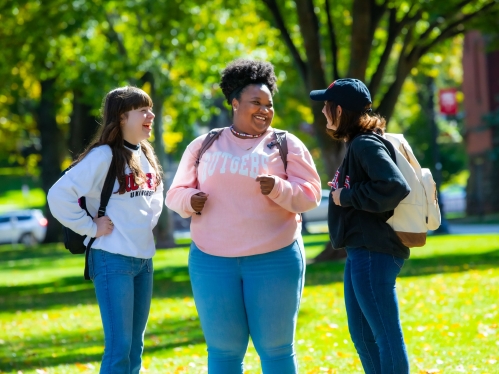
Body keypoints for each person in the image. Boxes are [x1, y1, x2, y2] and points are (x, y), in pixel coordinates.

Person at [166, 59, 322, 373]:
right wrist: (190, 200)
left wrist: (278, 188)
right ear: (235, 103)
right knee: (223, 352)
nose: (265, 109)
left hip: (275, 258)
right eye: (256, 102)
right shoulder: (205, 144)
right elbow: (175, 193)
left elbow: (310, 195)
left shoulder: (285, 144)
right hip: (212, 261)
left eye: (269, 104)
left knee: (276, 350)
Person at [47, 86, 164, 374]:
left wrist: (144, 227)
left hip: (143, 261)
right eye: (143, 110)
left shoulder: (145, 153)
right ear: (122, 117)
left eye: (150, 109)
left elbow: (155, 198)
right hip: (112, 259)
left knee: (135, 347)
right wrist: (90, 227)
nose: (151, 114)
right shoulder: (103, 156)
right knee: (119, 347)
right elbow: (58, 195)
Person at [309, 78, 411, 374]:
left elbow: (393, 186)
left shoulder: (365, 144)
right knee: (363, 337)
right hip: (360, 252)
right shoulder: (357, 144)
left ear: (339, 111)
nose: (323, 114)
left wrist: (346, 196)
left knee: (385, 337)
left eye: (326, 108)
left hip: (374, 251)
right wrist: (345, 191)